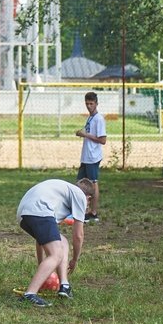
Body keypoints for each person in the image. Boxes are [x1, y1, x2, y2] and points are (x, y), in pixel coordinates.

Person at [16, 178, 94, 307]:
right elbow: (78, 235)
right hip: (39, 211)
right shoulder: (80, 195)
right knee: (56, 255)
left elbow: (41, 239)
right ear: (89, 198)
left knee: (62, 242)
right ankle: (30, 294)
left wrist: (42, 264)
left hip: (23, 214)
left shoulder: (60, 194)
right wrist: (74, 260)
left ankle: (64, 286)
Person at [75, 91, 106, 222]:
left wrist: (85, 135)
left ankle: (93, 213)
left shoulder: (99, 118)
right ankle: (84, 211)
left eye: (91, 104)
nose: (89, 106)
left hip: (93, 156)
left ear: (96, 104)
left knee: (93, 184)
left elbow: (102, 140)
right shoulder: (91, 117)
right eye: (87, 103)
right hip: (86, 156)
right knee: (80, 183)